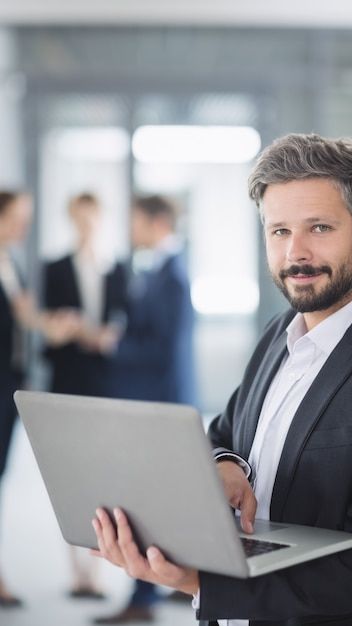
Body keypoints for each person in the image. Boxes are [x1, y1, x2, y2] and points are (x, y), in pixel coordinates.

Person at [90, 133, 352, 626]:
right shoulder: (277, 336)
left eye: (320, 227)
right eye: (279, 231)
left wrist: (202, 584)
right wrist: (225, 464)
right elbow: (224, 433)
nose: (296, 254)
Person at [93, 194, 196, 624]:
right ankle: (170, 584)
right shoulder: (155, 268)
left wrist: (110, 344)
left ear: (155, 222)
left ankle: (144, 599)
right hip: (150, 401)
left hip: (159, 405)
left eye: (135, 220)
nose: (130, 229)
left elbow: (163, 350)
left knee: (144, 502)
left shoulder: (171, 275)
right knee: (160, 501)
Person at [43, 192, 127, 599]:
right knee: (70, 476)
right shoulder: (55, 268)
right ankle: (76, 571)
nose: (86, 226)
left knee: (105, 474)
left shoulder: (117, 269)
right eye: (79, 219)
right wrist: (69, 331)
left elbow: (126, 324)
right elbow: (47, 329)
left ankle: (99, 572)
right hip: (68, 380)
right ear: (70, 220)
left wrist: (105, 337)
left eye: (92, 219)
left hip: (108, 383)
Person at [0, 190, 79, 608]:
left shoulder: (11, 262)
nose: (24, 225)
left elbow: (24, 317)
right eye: (18, 217)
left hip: (9, 380)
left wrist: (53, 325)